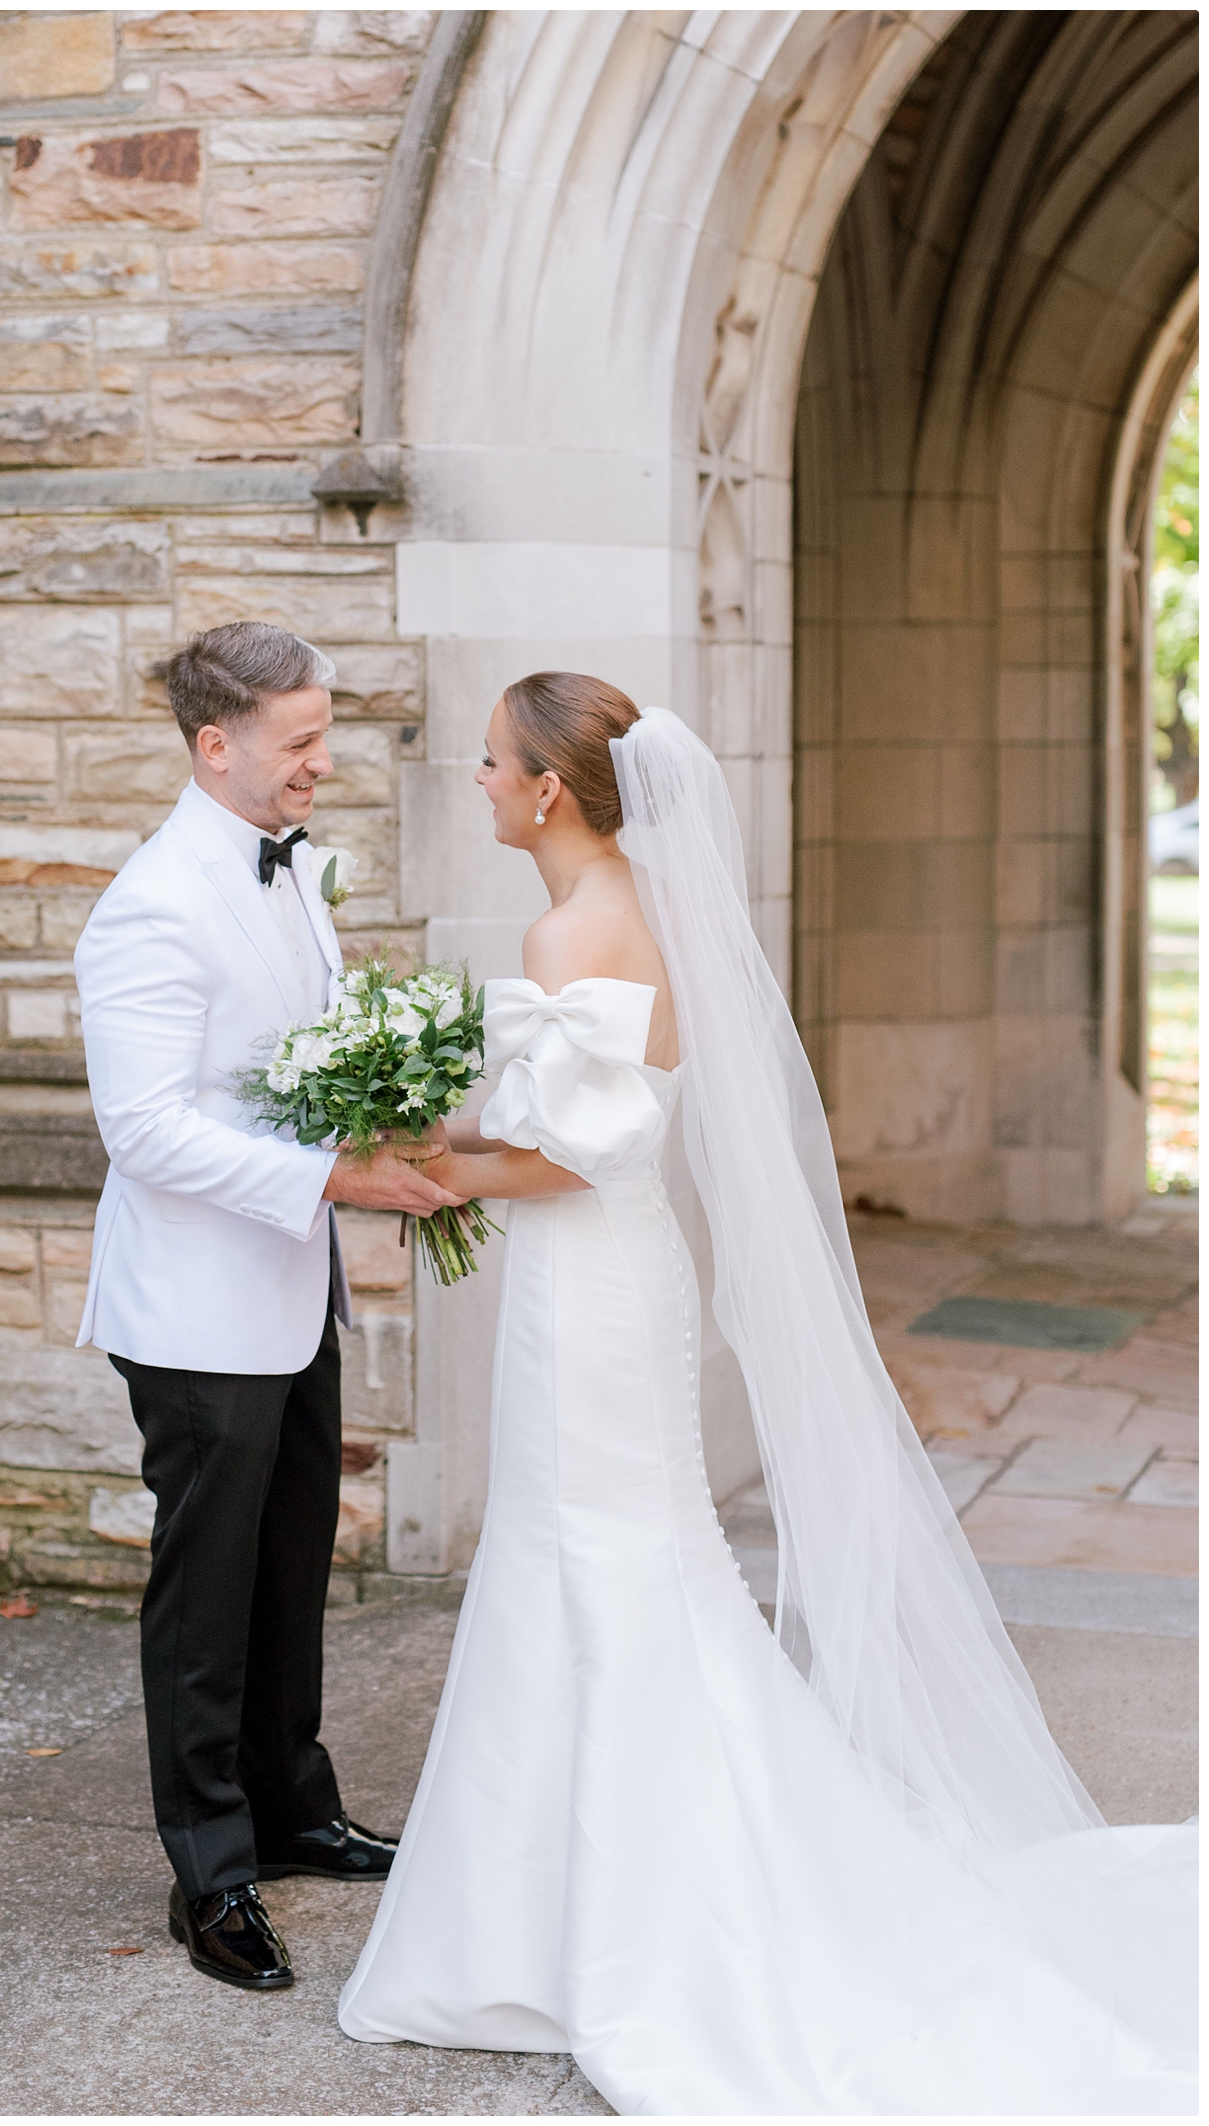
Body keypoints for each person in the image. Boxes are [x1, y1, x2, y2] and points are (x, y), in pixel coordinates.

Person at [336, 673, 1197, 2112]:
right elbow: (564, 1113)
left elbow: (572, 1157)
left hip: (591, 1288)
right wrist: (442, 1131)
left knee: (600, 1562)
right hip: (609, 1278)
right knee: (615, 1561)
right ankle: (559, 1911)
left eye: (489, 761)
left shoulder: (575, 922)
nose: (473, 777)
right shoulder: (630, 906)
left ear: (550, 789)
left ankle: (603, 1930)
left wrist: (408, 1175)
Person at [73, 622, 463, 1993]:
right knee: (208, 1591)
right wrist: (335, 1174)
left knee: (294, 1560)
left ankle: (295, 1806)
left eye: (323, 731)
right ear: (214, 745)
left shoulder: (291, 869)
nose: (323, 759)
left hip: (295, 1292)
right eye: (300, 739)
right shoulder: (150, 904)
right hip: (192, 1312)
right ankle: (212, 1868)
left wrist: (387, 1105)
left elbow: (312, 1039)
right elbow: (145, 1132)